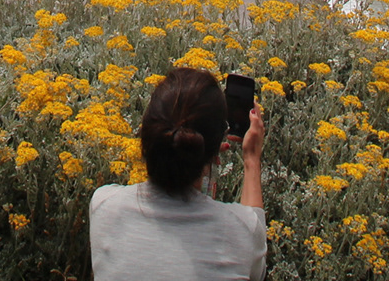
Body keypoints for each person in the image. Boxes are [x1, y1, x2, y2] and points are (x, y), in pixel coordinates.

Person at [89, 68, 265, 279]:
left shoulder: (104, 205)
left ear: (145, 133)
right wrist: (251, 160)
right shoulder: (242, 231)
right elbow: (257, 269)